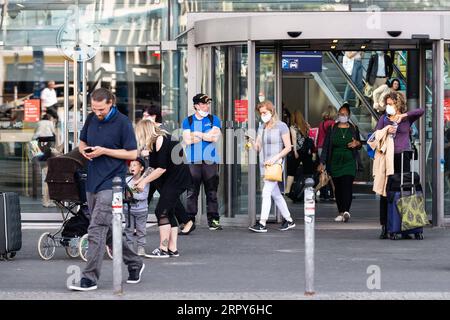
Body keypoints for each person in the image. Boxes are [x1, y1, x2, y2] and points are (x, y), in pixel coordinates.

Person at [69, 88, 144, 291]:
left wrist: (104, 151)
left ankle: (89, 278)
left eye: (101, 109)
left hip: (113, 182)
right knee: (109, 230)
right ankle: (135, 262)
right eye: (93, 108)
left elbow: (132, 152)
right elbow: (83, 140)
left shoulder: (123, 123)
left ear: (111, 103)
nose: (97, 112)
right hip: (92, 180)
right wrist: (84, 150)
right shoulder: (92, 119)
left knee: (96, 228)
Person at [135, 119, 192, 258]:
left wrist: (144, 182)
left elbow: (161, 168)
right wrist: (141, 179)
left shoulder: (161, 139)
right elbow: (152, 167)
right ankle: (172, 248)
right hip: (172, 178)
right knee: (168, 211)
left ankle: (163, 248)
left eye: (140, 135)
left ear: (145, 132)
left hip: (177, 178)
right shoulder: (154, 142)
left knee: (161, 211)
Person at [373, 91, 424, 239]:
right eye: (387, 104)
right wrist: (386, 130)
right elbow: (375, 136)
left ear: (398, 103)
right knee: (386, 191)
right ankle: (385, 225)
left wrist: (403, 116)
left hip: (404, 156)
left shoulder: (406, 118)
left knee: (406, 189)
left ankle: (406, 225)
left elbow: (420, 111)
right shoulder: (384, 119)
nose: (388, 106)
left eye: (391, 104)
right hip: (388, 158)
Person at [140, 103, 196, 235]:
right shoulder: (152, 131)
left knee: (163, 205)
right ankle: (183, 225)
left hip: (167, 171)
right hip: (160, 170)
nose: (143, 118)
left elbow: (164, 157)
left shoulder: (160, 132)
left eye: (145, 115)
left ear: (153, 116)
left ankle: (167, 240)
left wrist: (143, 180)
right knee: (166, 201)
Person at [248, 100, 296, 233]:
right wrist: (250, 141)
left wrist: (275, 158)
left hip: (275, 164)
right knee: (276, 195)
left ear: (271, 111)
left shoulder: (282, 126)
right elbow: (257, 147)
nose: (262, 115)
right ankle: (289, 220)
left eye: (264, 112)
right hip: (264, 165)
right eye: (261, 113)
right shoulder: (261, 127)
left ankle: (262, 223)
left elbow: (288, 148)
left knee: (266, 192)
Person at [182, 93, 222, 231]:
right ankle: (190, 221)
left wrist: (197, 134)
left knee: (212, 192)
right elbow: (187, 140)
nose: (206, 106)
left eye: (208, 104)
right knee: (192, 192)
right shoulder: (188, 121)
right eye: (203, 104)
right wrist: (206, 135)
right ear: (196, 106)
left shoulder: (214, 119)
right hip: (193, 160)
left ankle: (214, 220)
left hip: (210, 160)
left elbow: (214, 138)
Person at [319, 104, 362, 222]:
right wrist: (322, 162)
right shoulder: (332, 128)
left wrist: (356, 144)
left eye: (344, 114)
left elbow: (359, 144)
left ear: (349, 115)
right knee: (337, 188)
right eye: (340, 113)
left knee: (347, 185)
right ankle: (341, 212)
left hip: (349, 161)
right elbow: (326, 146)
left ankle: (346, 211)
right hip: (335, 161)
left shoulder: (353, 128)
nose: (341, 116)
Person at [124, 157, 150, 256]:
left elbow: (144, 195)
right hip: (128, 210)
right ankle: (129, 248)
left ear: (141, 168)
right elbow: (124, 194)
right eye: (130, 166)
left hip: (141, 210)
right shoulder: (127, 180)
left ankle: (141, 247)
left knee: (141, 229)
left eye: (134, 165)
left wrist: (132, 194)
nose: (132, 167)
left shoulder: (145, 181)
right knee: (128, 229)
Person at [285, 111, 313, 194]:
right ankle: (308, 189)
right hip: (306, 151)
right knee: (308, 171)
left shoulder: (293, 127)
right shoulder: (306, 125)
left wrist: (295, 151)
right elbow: (309, 135)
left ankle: (287, 190)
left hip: (298, 150)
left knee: (291, 171)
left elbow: (294, 139)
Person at [33, 113, 57, 208]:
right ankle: (47, 200)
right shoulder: (50, 122)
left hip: (38, 140)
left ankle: (40, 164)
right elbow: (53, 131)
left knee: (42, 164)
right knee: (47, 171)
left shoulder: (39, 122)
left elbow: (35, 132)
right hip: (48, 140)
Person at [316, 105, 337, 201]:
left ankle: (324, 194)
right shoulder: (332, 123)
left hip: (320, 148)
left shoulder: (322, 123)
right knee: (328, 172)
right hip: (327, 149)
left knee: (324, 172)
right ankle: (316, 190)